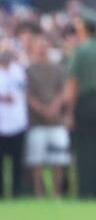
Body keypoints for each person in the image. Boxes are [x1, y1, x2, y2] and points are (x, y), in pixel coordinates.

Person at [65, 14, 96, 198]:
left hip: (83, 102)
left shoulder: (80, 51)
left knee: (83, 148)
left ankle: (85, 191)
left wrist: (69, 112)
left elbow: (73, 83)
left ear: (84, 29)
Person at [24, 27, 71, 197]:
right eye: (40, 45)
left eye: (45, 45)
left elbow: (64, 90)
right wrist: (42, 109)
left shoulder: (57, 69)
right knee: (36, 162)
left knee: (57, 161)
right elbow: (27, 95)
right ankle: (39, 193)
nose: (43, 48)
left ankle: (57, 193)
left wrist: (54, 107)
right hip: (36, 122)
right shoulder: (29, 70)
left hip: (56, 122)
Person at [0, 38, 29, 197]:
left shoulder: (19, 70)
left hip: (17, 122)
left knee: (18, 161)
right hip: (1, 123)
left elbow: (23, 90)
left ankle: (17, 192)